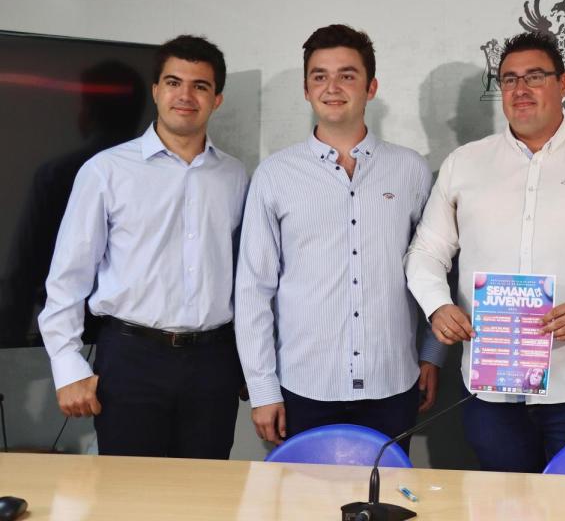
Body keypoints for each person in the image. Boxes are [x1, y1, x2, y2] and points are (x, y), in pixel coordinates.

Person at [405, 32, 565, 473]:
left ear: (563, 83)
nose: (520, 90)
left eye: (535, 77)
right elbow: (425, 252)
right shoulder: (464, 164)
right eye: (509, 80)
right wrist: (437, 305)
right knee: (503, 508)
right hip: (492, 388)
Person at [234, 24, 443, 452]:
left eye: (347, 75)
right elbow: (253, 290)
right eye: (319, 76)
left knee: (387, 502)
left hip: (393, 383)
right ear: (307, 89)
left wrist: (432, 355)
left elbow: (435, 268)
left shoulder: (411, 171)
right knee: (303, 507)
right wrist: (263, 390)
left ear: (372, 86)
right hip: (303, 388)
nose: (332, 87)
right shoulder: (275, 176)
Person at [37, 35, 248, 458]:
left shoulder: (237, 177)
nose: (185, 95)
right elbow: (67, 279)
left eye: (200, 86)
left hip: (213, 364)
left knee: (204, 498)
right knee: (128, 497)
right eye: (173, 82)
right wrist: (67, 366)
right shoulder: (106, 172)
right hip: (131, 361)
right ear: (156, 91)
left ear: (217, 99)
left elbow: (250, 280)